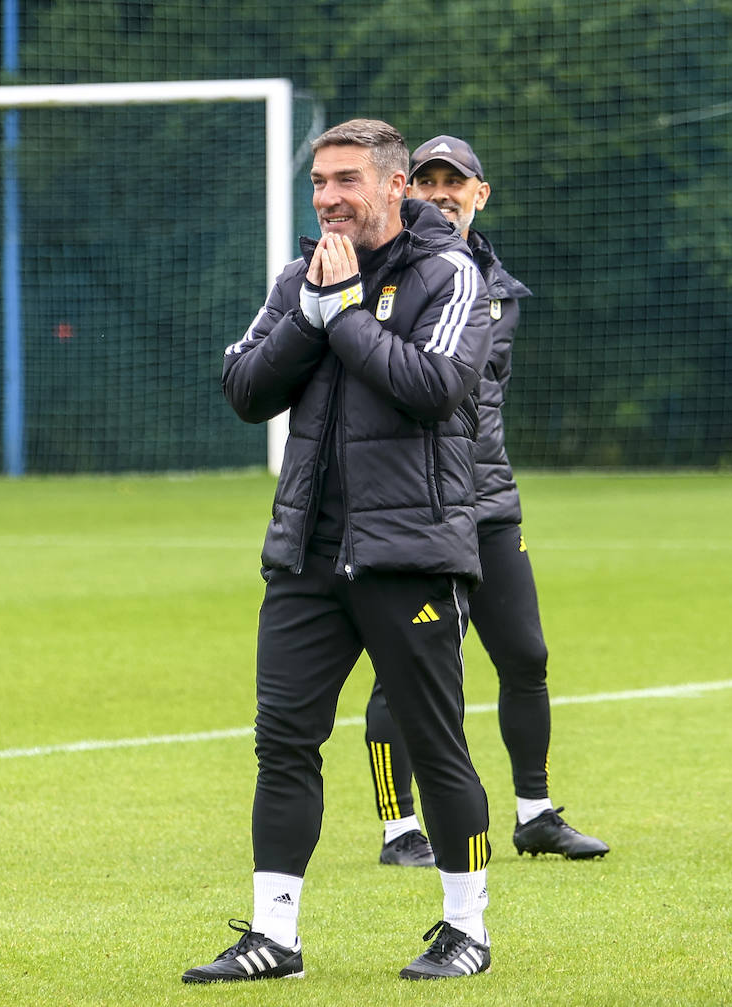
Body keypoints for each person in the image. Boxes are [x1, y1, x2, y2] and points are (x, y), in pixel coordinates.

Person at [182, 118, 494, 985]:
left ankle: (465, 928)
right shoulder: (299, 277)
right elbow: (245, 387)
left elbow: (434, 389)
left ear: (395, 185)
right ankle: (275, 938)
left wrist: (346, 314)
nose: (328, 198)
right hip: (307, 557)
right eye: (319, 181)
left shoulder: (450, 275)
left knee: (434, 744)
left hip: (409, 554)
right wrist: (312, 316)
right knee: (282, 740)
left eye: (346, 180)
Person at [364, 135, 609, 867]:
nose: (441, 192)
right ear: (407, 189)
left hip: (491, 498)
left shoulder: (496, 284)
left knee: (525, 653)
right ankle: (397, 827)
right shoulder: (396, 272)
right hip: (424, 502)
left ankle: (534, 813)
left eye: (455, 182)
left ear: (481, 193)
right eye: (429, 181)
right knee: (404, 669)